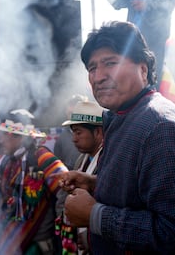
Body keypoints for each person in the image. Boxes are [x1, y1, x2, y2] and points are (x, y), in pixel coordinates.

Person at [54, 21, 175, 253]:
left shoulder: (161, 128)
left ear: (143, 69)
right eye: (92, 68)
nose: (98, 77)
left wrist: (95, 215)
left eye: (111, 63)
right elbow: (141, 195)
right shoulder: (124, 117)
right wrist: (96, 185)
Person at [0, 114, 68, 254]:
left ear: (19, 137)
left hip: (38, 244)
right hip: (13, 240)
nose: (1, 140)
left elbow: (65, 188)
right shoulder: (7, 161)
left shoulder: (41, 156)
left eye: (4, 135)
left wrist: (64, 228)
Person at [95, 0, 175, 88]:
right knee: (133, 72)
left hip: (155, 39)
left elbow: (169, 3)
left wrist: (146, 5)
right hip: (134, 39)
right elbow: (117, 3)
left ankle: (152, 99)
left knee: (152, 74)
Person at [55, 100, 104, 254]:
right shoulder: (81, 160)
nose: (74, 139)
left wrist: (91, 237)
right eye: (73, 133)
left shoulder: (108, 160)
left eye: (78, 132)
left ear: (97, 132)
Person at [53, 94, 89, 170]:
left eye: (74, 113)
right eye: (70, 113)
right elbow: (57, 162)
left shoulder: (92, 133)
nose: (74, 139)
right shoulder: (63, 136)